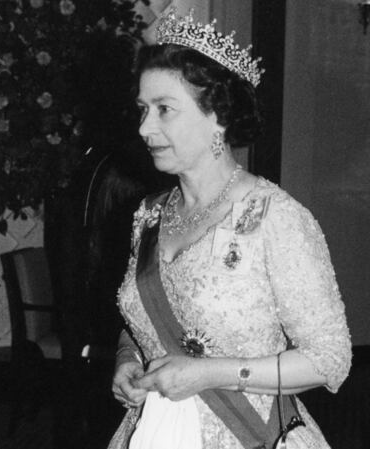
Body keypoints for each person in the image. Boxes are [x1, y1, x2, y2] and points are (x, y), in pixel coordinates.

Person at [108, 8, 352, 449]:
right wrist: (128, 359)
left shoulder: (277, 218)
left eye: (165, 110)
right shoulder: (148, 215)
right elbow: (139, 319)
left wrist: (208, 373)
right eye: (143, 109)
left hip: (250, 435)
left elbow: (329, 360)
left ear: (217, 115)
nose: (145, 128)